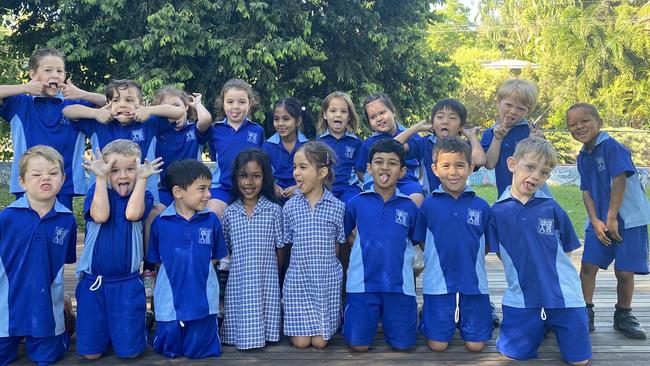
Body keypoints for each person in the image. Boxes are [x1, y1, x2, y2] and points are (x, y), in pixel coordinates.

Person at [486, 138, 591, 365]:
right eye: (530, 167)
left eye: (544, 172)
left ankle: (554, 323)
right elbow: (497, 253)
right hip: (522, 297)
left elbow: (568, 248)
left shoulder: (552, 208)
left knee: (579, 361)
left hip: (564, 296)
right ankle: (537, 325)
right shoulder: (496, 211)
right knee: (514, 354)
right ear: (512, 164)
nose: (535, 176)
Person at [567, 103, 650, 339]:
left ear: (599, 122)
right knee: (588, 266)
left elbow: (620, 181)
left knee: (625, 272)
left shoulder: (613, 147)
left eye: (584, 121)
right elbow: (586, 191)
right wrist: (594, 220)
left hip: (628, 220)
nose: (579, 127)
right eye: (572, 125)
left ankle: (624, 315)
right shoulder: (582, 156)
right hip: (600, 222)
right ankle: (585, 312)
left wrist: (612, 217)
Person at [75, 139, 162, 359]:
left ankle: (140, 320)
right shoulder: (97, 191)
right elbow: (101, 215)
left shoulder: (144, 195)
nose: (123, 176)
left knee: (129, 352)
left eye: (130, 169)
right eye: (114, 170)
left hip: (126, 283)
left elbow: (132, 214)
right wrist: (100, 177)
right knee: (91, 355)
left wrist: (142, 179)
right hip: (94, 282)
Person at [413, 137, 493, 352]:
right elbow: (421, 239)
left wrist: (468, 258)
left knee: (475, 346)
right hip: (438, 283)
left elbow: (487, 244)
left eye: (460, 165)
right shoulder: (429, 205)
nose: (453, 172)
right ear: (435, 169)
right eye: (446, 166)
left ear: (470, 167)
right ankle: (431, 314)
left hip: (473, 282)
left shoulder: (482, 206)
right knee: (437, 346)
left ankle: (469, 320)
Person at [0, 48, 105, 209]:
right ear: (33, 75)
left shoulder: (75, 104)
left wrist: (82, 94)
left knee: (60, 228)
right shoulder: (20, 103)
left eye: (60, 71)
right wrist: (24, 87)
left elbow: (112, 105)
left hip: (64, 183)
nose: (55, 75)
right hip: (28, 182)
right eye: (48, 70)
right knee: (27, 230)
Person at [0, 145, 77, 364]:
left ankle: (63, 311)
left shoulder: (67, 219)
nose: (46, 178)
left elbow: (66, 260)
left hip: (45, 308)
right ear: (22, 181)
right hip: (6, 305)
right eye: (36, 174)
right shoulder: (7, 217)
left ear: (62, 178)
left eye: (53, 173)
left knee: (47, 358)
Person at [146, 159, 228, 358]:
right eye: (202, 189)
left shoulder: (211, 220)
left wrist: (198, 273)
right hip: (170, 298)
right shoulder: (161, 223)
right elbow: (156, 261)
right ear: (178, 192)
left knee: (199, 351)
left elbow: (216, 255)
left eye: (209, 188)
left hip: (203, 299)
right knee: (169, 349)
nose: (208, 195)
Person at [343, 139, 420, 351]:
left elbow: (415, 240)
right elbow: (344, 234)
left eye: (392, 163)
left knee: (403, 345)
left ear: (402, 171)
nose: (385, 167)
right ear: (369, 168)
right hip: (362, 284)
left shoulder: (409, 207)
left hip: (399, 287)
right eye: (378, 161)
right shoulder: (357, 203)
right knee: (358, 346)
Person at [63, 79, 184, 202]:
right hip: (102, 192)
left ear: (140, 104)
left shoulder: (149, 123)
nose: (122, 104)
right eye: (115, 100)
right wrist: (95, 113)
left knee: (146, 219)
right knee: (100, 219)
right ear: (108, 104)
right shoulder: (98, 123)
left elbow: (179, 112)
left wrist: (150, 110)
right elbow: (67, 111)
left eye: (129, 100)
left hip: (143, 191)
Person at [282, 141, 345, 349]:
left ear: (322, 172)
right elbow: (287, 245)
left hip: (325, 281)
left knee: (320, 342)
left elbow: (338, 247)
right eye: (294, 167)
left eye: (302, 167)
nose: (296, 173)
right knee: (301, 343)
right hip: (299, 280)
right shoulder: (290, 207)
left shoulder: (337, 207)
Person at [221, 149, 284, 350]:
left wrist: (276, 271)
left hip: (267, 277)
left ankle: (266, 335)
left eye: (256, 176)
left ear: (265, 178)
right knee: (241, 305)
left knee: (264, 303)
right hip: (239, 278)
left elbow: (280, 248)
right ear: (235, 178)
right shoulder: (230, 213)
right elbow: (227, 249)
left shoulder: (274, 211)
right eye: (243, 176)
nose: (249, 182)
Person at [199, 79, 265, 219]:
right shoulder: (215, 130)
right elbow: (212, 156)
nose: (235, 107)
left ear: (250, 104)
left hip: (250, 188)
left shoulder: (257, 130)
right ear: (222, 104)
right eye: (230, 102)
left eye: (241, 102)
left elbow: (262, 163)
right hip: (222, 187)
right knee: (212, 214)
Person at [395, 98, 485, 195]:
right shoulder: (425, 143)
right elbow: (393, 146)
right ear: (433, 123)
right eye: (440, 117)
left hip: (460, 200)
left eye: (452, 118)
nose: (445, 121)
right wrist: (416, 128)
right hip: (431, 203)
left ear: (461, 126)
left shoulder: (464, 146)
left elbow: (480, 161)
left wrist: (472, 137)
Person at [357, 93, 424, 206]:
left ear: (392, 111)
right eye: (372, 117)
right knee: (371, 203)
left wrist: (417, 177)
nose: (379, 119)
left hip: (406, 182)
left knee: (417, 198)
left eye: (382, 113)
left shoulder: (413, 137)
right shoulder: (368, 144)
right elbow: (360, 171)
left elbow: (422, 163)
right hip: (377, 183)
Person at [480, 79, 544, 198]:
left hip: (536, 196)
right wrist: (497, 139)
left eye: (521, 109)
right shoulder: (490, 133)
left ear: (528, 111)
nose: (513, 111)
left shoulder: (531, 131)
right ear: (499, 102)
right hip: (507, 195)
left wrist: (535, 143)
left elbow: (545, 163)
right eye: (508, 105)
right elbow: (489, 164)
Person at [151, 87, 212, 206]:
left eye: (176, 105)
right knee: (155, 212)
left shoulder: (193, 130)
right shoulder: (156, 133)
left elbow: (206, 119)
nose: (172, 112)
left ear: (186, 106)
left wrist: (198, 104)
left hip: (193, 188)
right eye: (166, 109)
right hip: (165, 189)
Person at [262, 97, 314, 201]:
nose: (280, 123)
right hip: (274, 195)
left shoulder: (307, 146)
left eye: (286, 119)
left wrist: (298, 188)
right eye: (276, 119)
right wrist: (273, 187)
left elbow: (312, 175)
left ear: (298, 121)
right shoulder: (267, 146)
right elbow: (263, 173)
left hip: (303, 194)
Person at [317, 91, 363, 204]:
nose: (338, 115)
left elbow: (360, 171)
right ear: (325, 115)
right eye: (333, 111)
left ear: (349, 117)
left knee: (352, 204)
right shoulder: (319, 142)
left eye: (343, 111)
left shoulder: (356, 142)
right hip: (324, 189)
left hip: (349, 189)